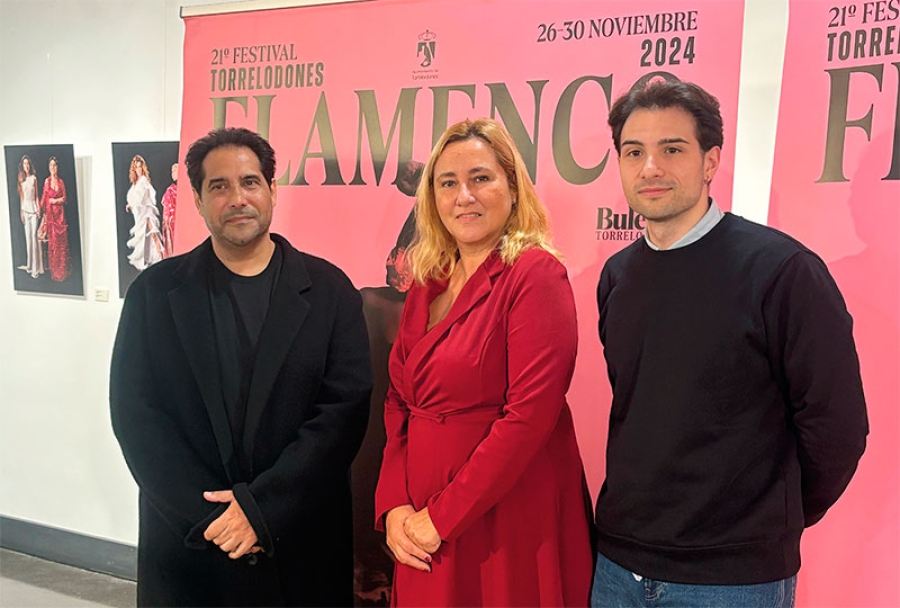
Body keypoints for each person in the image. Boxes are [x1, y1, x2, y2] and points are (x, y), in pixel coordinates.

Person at [592, 80, 869, 607]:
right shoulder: (616, 277)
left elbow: (838, 428)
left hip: (734, 579)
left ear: (710, 160)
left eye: (672, 149)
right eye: (634, 152)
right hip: (618, 565)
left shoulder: (782, 272)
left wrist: (765, 518)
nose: (650, 167)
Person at [110, 127, 372, 607]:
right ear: (197, 198)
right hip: (192, 550)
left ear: (273, 189)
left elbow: (342, 416)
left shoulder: (331, 292)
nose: (237, 198)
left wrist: (263, 510)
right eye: (219, 186)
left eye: (250, 182)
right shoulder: (153, 294)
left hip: (301, 546)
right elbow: (136, 416)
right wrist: (209, 520)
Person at [375, 118, 593, 606]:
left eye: (481, 178)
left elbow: (529, 417)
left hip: (502, 522)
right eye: (447, 183)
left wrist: (440, 519)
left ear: (513, 189)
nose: (463, 196)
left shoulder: (536, 275)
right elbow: (397, 401)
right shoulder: (429, 280)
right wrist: (394, 505)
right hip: (419, 528)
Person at [125, 154, 164, 270]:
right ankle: (153, 261)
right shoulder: (135, 183)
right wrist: (130, 204)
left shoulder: (143, 181)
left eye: (140, 167)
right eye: (137, 167)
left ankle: (162, 259)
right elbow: (133, 197)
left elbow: (141, 198)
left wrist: (131, 204)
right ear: (134, 169)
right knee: (145, 238)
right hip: (139, 215)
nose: (139, 169)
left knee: (153, 235)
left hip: (147, 214)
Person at [40, 156, 71, 282]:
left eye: (55, 165)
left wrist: (55, 201)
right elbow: (43, 198)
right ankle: (55, 271)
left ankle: (62, 271)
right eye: (51, 165)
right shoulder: (47, 182)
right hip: (51, 217)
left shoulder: (61, 182)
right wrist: (40, 210)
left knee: (61, 243)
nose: (53, 168)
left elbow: (64, 198)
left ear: (57, 167)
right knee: (54, 245)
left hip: (60, 216)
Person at [17, 154, 44, 278]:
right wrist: (21, 212)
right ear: (22, 166)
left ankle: (36, 269)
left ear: (30, 165)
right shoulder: (21, 180)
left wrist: (38, 208)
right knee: (28, 238)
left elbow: (37, 195)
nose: (26, 166)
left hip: (34, 210)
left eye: (28, 164)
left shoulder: (34, 178)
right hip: (25, 210)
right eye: (24, 164)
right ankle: (29, 265)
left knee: (34, 237)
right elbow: (22, 198)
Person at [161, 162, 178, 257]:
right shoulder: (170, 190)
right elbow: (167, 212)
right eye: (172, 170)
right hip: (172, 224)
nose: (173, 172)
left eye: (175, 170)